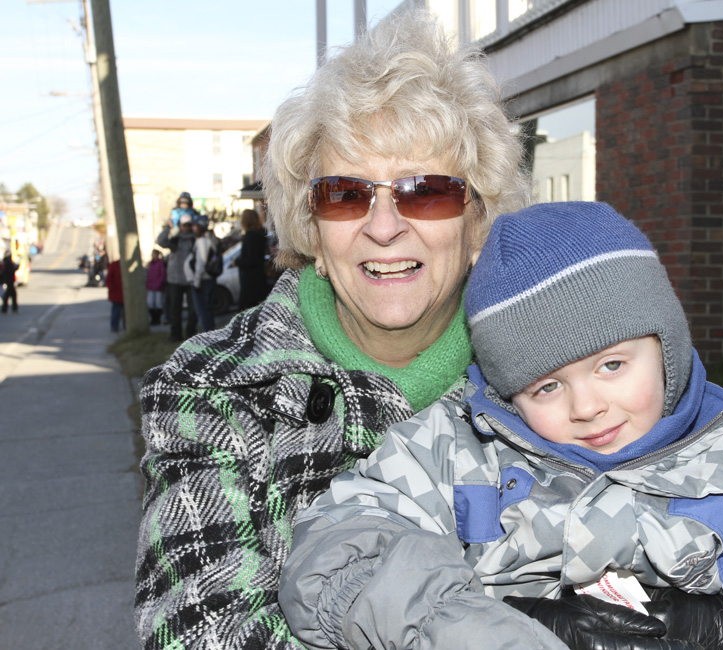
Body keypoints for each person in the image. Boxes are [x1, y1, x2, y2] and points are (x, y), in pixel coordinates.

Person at [278, 202, 723, 650]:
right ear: (504, 393)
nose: (586, 406)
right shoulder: (454, 461)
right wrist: (482, 628)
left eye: (611, 365)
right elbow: (334, 554)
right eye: (546, 386)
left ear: (669, 347)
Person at [133, 11, 534, 650]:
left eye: (425, 192)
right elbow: (203, 633)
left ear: (477, 222)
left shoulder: (553, 374)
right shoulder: (210, 389)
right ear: (312, 229)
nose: (383, 226)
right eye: (346, 195)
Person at [155, 212, 197, 342]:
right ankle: (175, 334)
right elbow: (160, 241)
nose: (186, 228)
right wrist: (168, 227)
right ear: (180, 225)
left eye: (188, 225)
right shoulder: (175, 238)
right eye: (184, 225)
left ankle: (191, 334)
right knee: (175, 309)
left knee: (192, 309)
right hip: (175, 279)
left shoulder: (194, 239)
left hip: (190, 279)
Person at [183, 213, 218, 332]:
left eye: (195, 226)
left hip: (203, 280)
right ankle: (210, 332)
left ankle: (208, 334)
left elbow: (201, 263)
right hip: (205, 280)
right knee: (205, 310)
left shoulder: (202, 241)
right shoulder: (207, 239)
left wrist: (196, 282)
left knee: (203, 311)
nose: (193, 228)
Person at [235, 207, 271, 310]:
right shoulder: (260, 235)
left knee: (244, 309)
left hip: (250, 280)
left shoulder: (250, 236)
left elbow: (251, 259)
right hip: (259, 278)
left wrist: (237, 261)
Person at [145, 249, 166, 326]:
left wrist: (159, 283)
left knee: (158, 303)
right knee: (150, 303)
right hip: (151, 286)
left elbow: (162, 274)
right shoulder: (150, 263)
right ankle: (153, 318)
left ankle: (158, 319)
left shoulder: (160, 263)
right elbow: (149, 274)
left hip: (158, 286)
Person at [106, 258, 124, 333]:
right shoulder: (114, 265)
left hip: (123, 294)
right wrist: (113, 289)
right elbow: (108, 279)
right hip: (116, 294)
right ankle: (114, 326)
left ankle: (125, 326)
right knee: (116, 311)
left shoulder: (122, 265)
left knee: (124, 313)